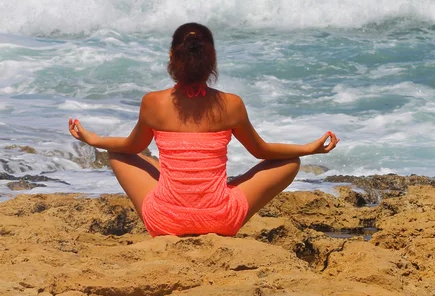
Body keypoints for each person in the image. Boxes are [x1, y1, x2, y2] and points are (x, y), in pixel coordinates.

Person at [68, 22, 339, 237]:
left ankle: (181, 205)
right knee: (290, 163)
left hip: (165, 222)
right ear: (212, 61)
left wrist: (94, 139)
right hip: (221, 220)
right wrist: (308, 148)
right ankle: (214, 209)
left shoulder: (153, 102)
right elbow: (261, 152)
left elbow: (130, 148)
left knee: (119, 155)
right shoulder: (231, 104)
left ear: (173, 56)